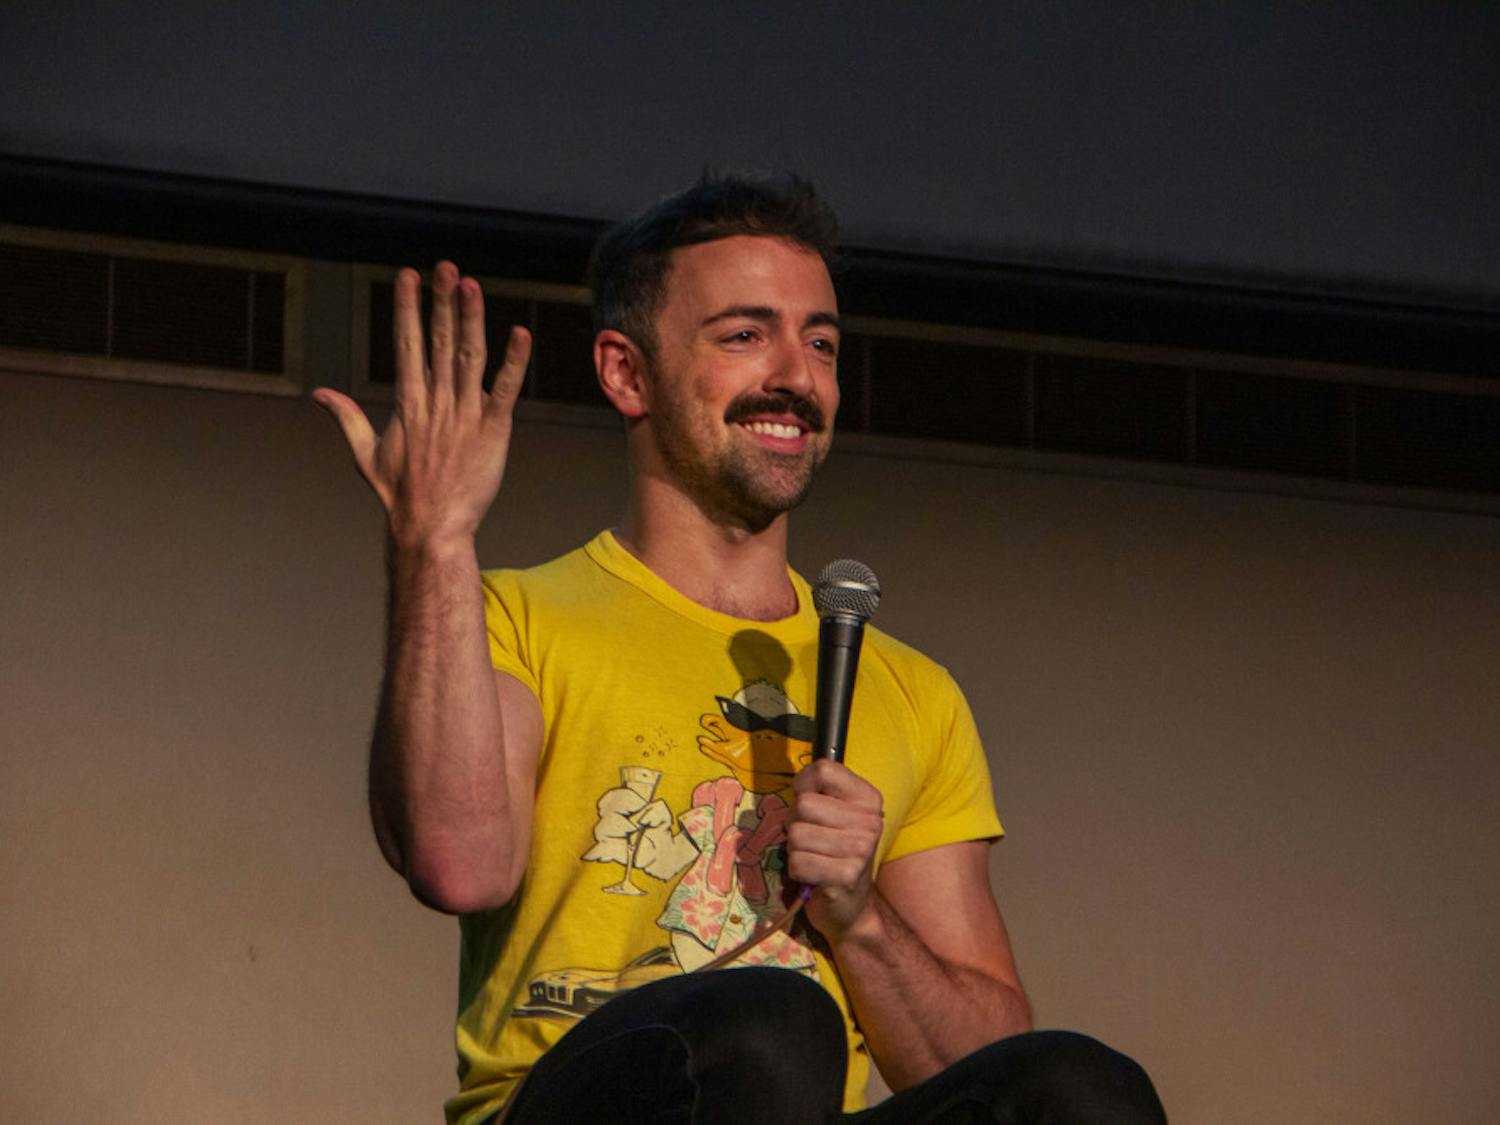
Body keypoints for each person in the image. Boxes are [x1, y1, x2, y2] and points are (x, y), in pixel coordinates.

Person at [315, 174, 1166, 1124]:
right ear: (626, 373)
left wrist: (860, 913)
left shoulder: (910, 690)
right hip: (581, 1101)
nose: (797, 376)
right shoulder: (513, 617)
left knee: (1082, 1090)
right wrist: (433, 542)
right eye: (745, 334)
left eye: (822, 343)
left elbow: (982, 1056)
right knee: (771, 1023)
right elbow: (458, 863)